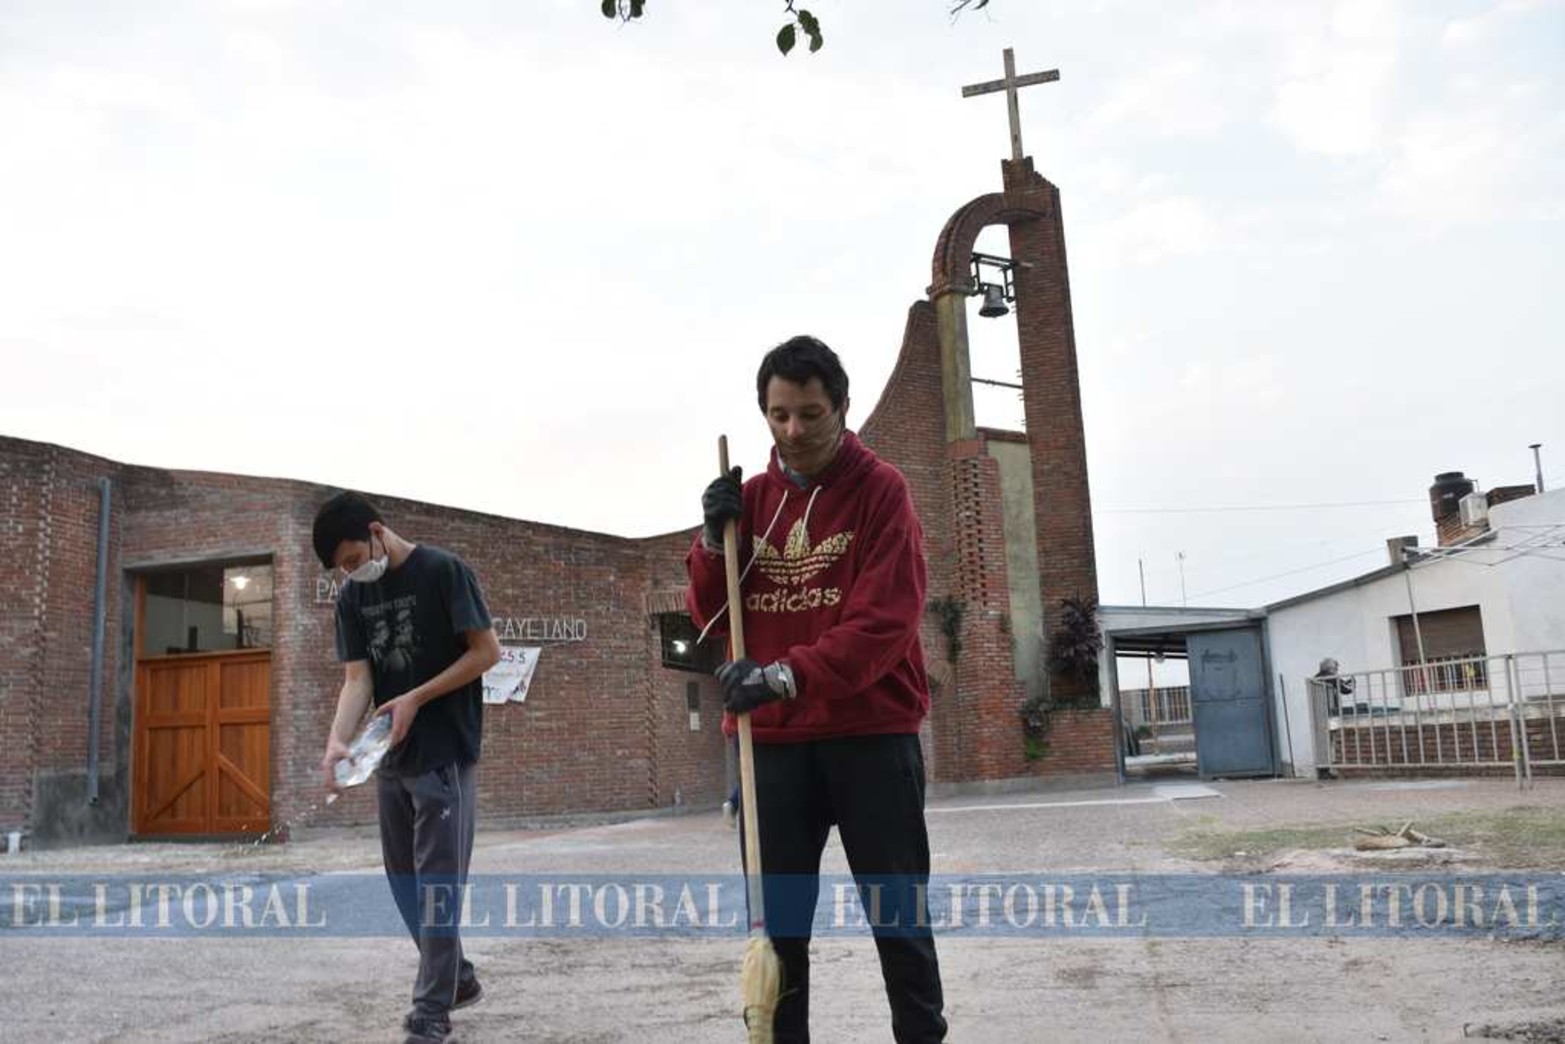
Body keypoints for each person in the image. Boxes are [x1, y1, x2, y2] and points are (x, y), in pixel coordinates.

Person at [685, 335, 947, 1043]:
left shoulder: (882, 491)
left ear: (841, 408)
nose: (792, 432)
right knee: (781, 933)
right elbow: (709, 616)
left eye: (808, 414)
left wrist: (781, 675)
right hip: (771, 750)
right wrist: (713, 541)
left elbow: (883, 624)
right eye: (777, 416)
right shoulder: (749, 500)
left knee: (898, 920)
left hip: (870, 736)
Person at [313, 492, 501, 1044]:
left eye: (353, 559)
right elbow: (358, 680)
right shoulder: (352, 598)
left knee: (437, 886)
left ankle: (431, 1010)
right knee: (403, 886)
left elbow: (486, 651)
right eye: (342, 569)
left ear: (376, 531)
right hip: (388, 756)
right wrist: (335, 742)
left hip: (445, 751)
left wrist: (417, 696)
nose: (352, 573)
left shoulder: (443, 571)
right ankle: (457, 977)